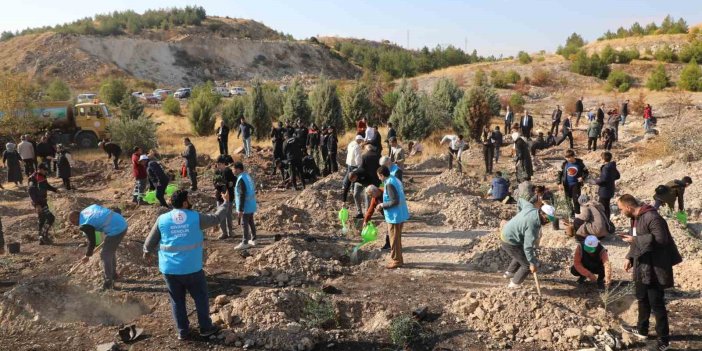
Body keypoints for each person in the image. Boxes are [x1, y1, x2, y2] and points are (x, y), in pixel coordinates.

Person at [143, 190, 228, 341]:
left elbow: (150, 242)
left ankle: (183, 331)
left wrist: (146, 252)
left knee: (177, 300)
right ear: (184, 203)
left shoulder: (162, 219)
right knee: (200, 298)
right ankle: (206, 328)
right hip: (192, 268)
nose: (190, 202)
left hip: (169, 269)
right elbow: (216, 219)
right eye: (188, 200)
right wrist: (226, 203)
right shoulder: (195, 217)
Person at [618, 194, 682, 351]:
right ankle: (642, 330)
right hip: (641, 265)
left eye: (620, 209)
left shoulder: (653, 217)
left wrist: (635, 241)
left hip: (655, 267)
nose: (620, 212)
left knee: (657, 303)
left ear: (628, 207)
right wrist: (629, 257)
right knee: (642, 298)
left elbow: (661, 240)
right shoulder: (635, 218)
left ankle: (664, 339)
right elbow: (635, 240)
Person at [69, 205, 128, 290]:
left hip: (117, 229)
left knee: (105, 255)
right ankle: (114, 275)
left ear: (76, 218)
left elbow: (92, 242)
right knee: (110, 251)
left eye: (73, 222)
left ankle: (108, 282)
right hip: (121, 221)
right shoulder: (88, 209)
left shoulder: (85, 223)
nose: (74, 225)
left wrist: (87, 255)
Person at [501, 198, 555, 288]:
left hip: (508, 233)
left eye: (550, 220)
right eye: (547, 219)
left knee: (521, 254)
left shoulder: (530, 208)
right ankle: (514, 284)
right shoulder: (533, 225)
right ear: (542, 213)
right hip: (510, 241)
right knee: (526, 265)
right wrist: (532, 264)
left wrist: (519, 215)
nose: (547, 222)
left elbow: (520, 200)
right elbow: (528, 247)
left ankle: (509, 273)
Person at [377, 166, 410, 269]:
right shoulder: (394, 179)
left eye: (379, 176)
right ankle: (398, 259)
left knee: (394, 239)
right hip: (399, 214)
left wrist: (382, 205)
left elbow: (394, 201)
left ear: (382, 175)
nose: (379, 179)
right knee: (397, 239)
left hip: (395, 216)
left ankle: (396, 261)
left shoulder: (389, 184)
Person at [28, 163, 58, 244]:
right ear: (40, 169)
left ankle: (41, 239)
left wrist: (55, 190)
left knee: (42, 220)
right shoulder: (33, 178)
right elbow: (31, 192)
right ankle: (43, 235)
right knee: (51, 218)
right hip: (39, 203)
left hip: (43, 201)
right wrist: (37, 205)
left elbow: (46, 186)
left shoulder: (43, 176)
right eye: (44, 170)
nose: (46, 171)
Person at [233, 162, 258, 250]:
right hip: (251, 204)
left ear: (239, 169)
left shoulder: (241, 179)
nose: (233, 171)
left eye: (234, 169)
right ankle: (254, 239)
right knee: (251, 221)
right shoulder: (247, 176)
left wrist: (240, 209)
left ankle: (245, 242)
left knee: (244, 223)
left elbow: (242, 195)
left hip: (246, 206)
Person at [559, 149, 589, 217]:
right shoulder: (565, 164)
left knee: (576, 200)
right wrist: (559, 183)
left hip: (576, 184)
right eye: (566, 157)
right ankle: (571, 213)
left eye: (569, 157)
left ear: (573, 156)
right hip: (567, 185)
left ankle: (577, 214)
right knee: (568, 200)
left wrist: (582, 177)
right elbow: (560, 173)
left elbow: (586, 172)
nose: (568, 159)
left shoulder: (580, 163)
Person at [213, 155, 235, 240]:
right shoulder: (216, 172)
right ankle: (224, 233)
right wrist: (217, 185)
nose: (218, 166)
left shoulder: (228, 171)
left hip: (228, 196)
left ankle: (230, 232)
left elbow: (234, 179)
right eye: (217, 164)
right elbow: (214, 183)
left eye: (219, 164)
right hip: (220, 196)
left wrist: (231, 183)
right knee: (220, 215)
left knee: (229, 215)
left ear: (223, 164)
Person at [363, 185, 391, 250]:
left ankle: (391, 245)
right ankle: (389, 245)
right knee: (389, 229)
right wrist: (365, 220)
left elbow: (393, 202)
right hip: (386, 215)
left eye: (371, 195)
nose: (371, 197)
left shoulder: (386, 192)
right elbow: (371, 209)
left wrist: (382, 205)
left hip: (393, 214)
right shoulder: (374, 198)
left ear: (375, 191)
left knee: (390, 230)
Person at [593, 152, 620, 219]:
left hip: (604, 190)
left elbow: (603, 180)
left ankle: (604, 222)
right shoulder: (612, 166)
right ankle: (607, 221)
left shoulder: (606, 167)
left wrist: (596, 181)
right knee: (606, 206)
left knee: (602, 207)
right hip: (610, 189)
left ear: (603, 159)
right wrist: (610, 179)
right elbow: (617, 176)